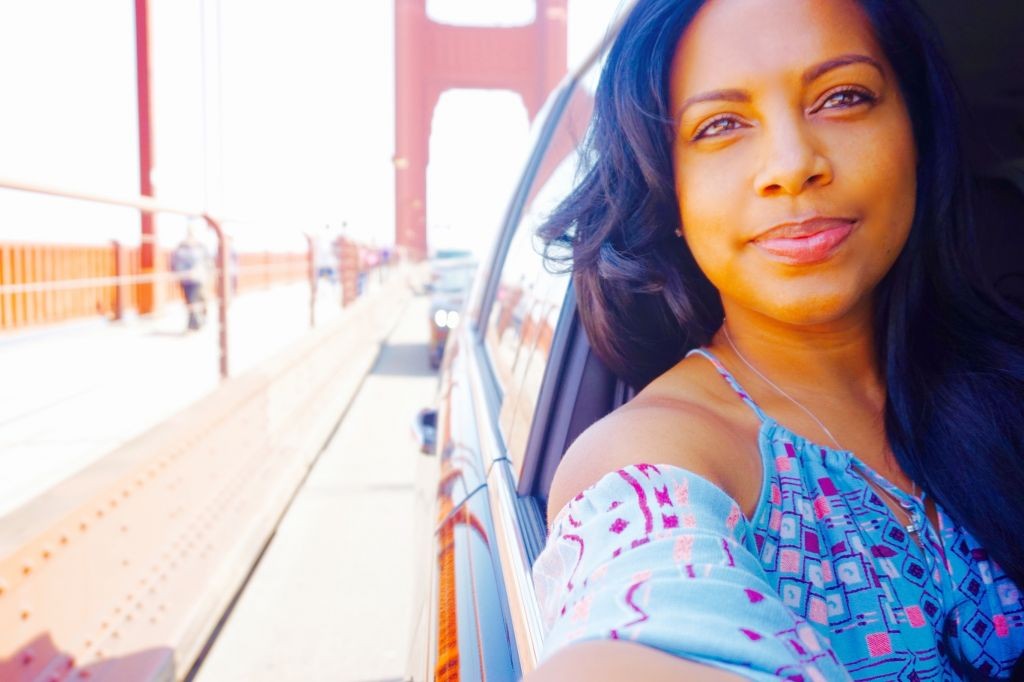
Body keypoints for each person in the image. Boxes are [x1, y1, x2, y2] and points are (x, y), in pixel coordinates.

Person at [529, 0, 1024, 680]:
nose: (792, 165)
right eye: (721, 125)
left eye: (843, 97)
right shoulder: (654, 459)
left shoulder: (1001, 379)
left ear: (917, 135)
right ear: (668, 191)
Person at [171, 223, 211, 331]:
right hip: (185, 278)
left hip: (198, 278)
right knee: (189, 300)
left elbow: (207, 262)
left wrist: (205, 273)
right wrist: (178, 273)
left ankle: (194, 323)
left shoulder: (201, 246)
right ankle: (193, 322)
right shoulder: (181, 246)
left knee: (195, 299)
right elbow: (174, 262)